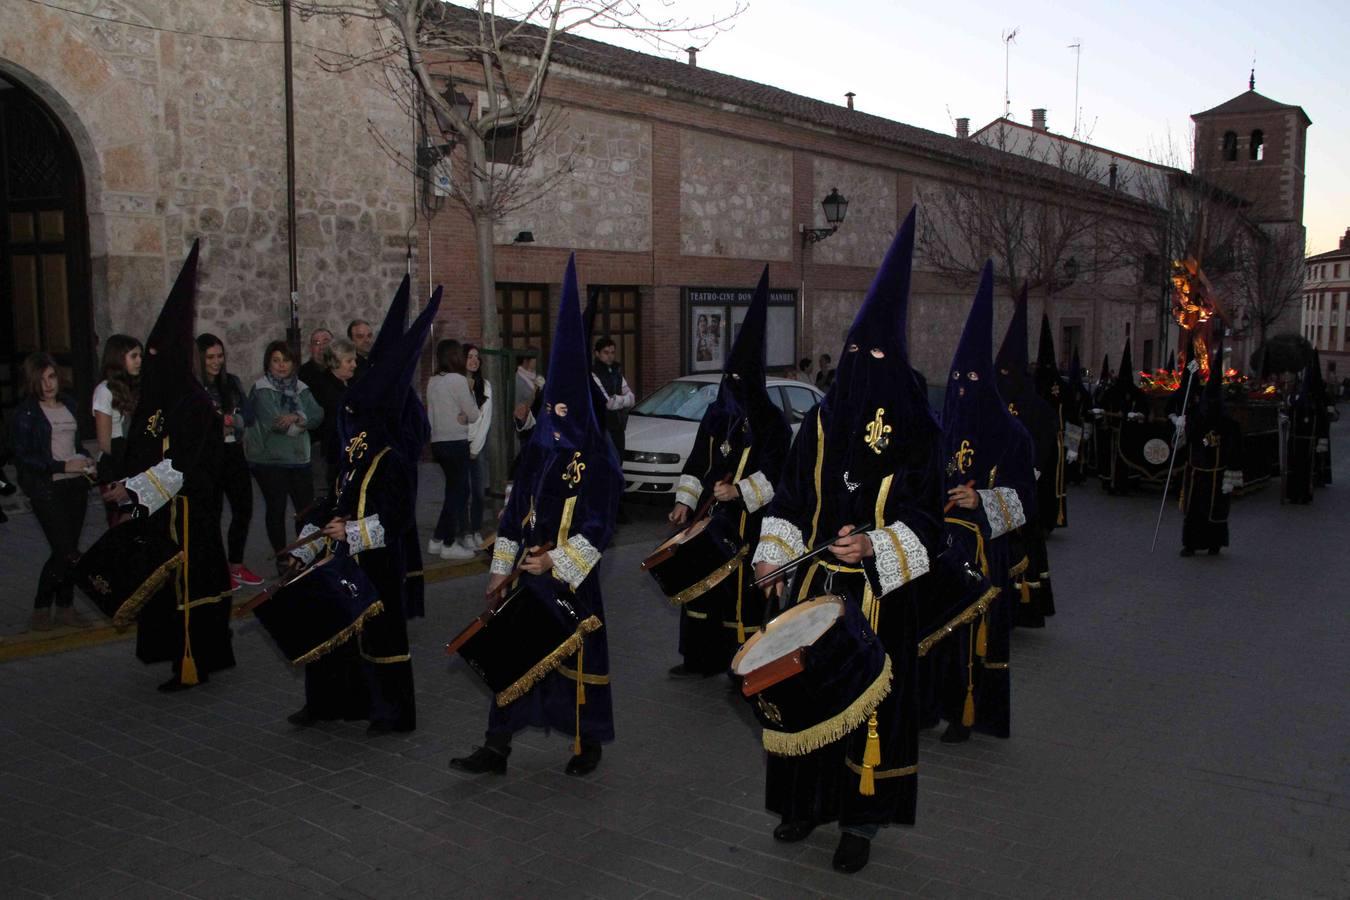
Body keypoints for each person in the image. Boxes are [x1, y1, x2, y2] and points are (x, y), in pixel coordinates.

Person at [751, 209, 943, 874]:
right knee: (806, 698)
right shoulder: (822, 422)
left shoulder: (918, 425)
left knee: (872, 711)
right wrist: (774, 550)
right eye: (856, 354)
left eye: (878, 357)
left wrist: (878, 546)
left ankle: (862, 817)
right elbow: (791, 496)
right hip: (814, 589)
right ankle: (803, 804)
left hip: (882, 599)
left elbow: (930, 518)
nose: (865, 368)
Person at [450, 255, 622, 778]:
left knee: (579, 663)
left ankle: (587, 742)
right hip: (527, 577)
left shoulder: (597, 458)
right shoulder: (536, 453)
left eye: (566, 411)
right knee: (514, 656)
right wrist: (501, 568)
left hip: (570, 583)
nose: (556, 419)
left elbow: (600, 525)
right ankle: (495, 748)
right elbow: (511, 516)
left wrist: (558, 562)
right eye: (552, 409)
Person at [288, 277, 438, 734]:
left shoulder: (390, 456)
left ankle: (392, 712)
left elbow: (393, 518)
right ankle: (331, 702)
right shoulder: (353, 448)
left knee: (381, 631)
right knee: (329, 625)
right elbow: (339, 491)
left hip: (376, 556)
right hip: (342, 549)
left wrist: (351, 532)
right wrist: (315, 528)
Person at [110, 242, 236, 691]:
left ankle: (197, 660)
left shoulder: (196, 404)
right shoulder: (154, 401)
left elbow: (185, 463)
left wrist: (136, 490)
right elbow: (142, 449)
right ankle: (170, 651)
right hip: (160, 512)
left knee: (192, 586)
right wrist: (125, 483)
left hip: (190, 513)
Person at [923, 262, 1036, 745]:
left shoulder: (1011, 433)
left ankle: (965, 714)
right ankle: (928, 704)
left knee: (968, 638)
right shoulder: (941, 425)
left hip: (984, 555)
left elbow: (1026, 500)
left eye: (973, 377)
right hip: (940, 546)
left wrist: (982, 499)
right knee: (932, 633)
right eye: (958, 378)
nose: (964, 386)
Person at [668, 267, 790, 677]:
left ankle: (741, 660)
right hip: (709, 516)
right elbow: (697, 462)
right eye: (729, 377)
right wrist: (685, 501)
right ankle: (698, 658)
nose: (733, 385)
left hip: (748, 521)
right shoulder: (716, 415)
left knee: (737, 596)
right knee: (700, 588)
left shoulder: (772, 421)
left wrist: (739, 491)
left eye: (741, 379)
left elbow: (779, 472)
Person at [10, 352, 96, 631]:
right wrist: (63, 465)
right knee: (64, 550)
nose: (48, 384)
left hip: (75, 484)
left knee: (68, 549)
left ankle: (66, 608)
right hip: (46, 487)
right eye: (41, 379)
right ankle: (41, 607)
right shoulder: (26, 413)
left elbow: (75, 444)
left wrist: (85, 460)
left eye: (51, 377)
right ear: (32, 383)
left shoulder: (70, 404)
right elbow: (23, 457)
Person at [995, 288, 1058, 628]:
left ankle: (1028, 607)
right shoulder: (992, 402)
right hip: (994, 487)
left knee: (1025, 547)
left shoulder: (1040, 409)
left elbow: (1045, 445)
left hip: (1023, 488)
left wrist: (1029, 474)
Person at [243, 340, 322, 566]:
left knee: (305, 511)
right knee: (276, 510)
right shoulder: (261, 389)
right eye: (276, 360)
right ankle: (281, 557)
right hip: (270, 460)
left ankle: (304, 555)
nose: (281, 365)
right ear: (268, 363)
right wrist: (301, 422)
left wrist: (298, 418)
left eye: (286, 360)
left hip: (299, 459)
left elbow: (318, 415)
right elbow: (275, 422)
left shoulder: (301, 387)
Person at [196, 333, 261, 589]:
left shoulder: (231, 382)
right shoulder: (194, 386)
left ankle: (236, 564)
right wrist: (215, 425)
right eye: (210, 357)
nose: (216, 362)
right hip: (208, 457)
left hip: (233, 452)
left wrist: (234, 421)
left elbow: (248, 414)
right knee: (212, 515)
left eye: (220, 356)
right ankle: (215, 568)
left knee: (243, 508)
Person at [1181, 341, 1242, 555]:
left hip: (1218, 475)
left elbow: (1234, 450)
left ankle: (1214, 543)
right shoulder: (1198, 419)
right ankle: (1190, 544)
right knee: (1195, 510)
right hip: (1199, 474)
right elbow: (1190, 440)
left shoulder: (1228, 425)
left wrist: (1232, 476)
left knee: (1215, 511)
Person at [426, 339, 480, 561]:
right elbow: (474, 413)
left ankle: (437, 540)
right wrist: (466, 412)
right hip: (455, 441)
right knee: (459, 493)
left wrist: (461, 415)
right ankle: (448, 543)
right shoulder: (458, 380)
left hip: (438, 442)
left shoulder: (432, 381)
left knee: (453, 491)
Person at [91, 334, 142, 525]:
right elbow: (105, 443)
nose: (139, 361)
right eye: (134, 356)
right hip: (115, 463)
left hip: (134, 461)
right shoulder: (104, 391)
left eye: (140, 356)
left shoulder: (135, 388)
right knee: (121, 524)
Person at [1033, 314, 1069, 530]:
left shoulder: (1062, 388)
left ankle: (1053, 517)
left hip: (1057, 443)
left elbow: (1073, 415)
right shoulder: (1032, 384)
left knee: (1052, 483)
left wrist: (1072, 446)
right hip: (1037, 442)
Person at [309, 338, 359, 492]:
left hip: (350, 451)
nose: (354, 365)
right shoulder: (323, 386)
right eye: (349, 361)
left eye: (354, 360)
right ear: (335, 362)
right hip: (331, 453)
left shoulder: (352, 383)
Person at [464, 343, 494, 551]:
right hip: (458, 443)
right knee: (461, 493)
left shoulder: (486, 386)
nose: (474, 360)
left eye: (477, 356)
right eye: (469, 357)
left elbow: (485, 420)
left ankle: (475, 530)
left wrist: (475, 447)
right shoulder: (456, 385)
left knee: (478, 492)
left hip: (478, 445)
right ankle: (464, 532)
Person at [299, 328, 333, 495]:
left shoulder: (339, 370)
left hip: (338, 440)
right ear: (311, 348)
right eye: (316, 343)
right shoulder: (303, 374)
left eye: (325, 342)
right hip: (316, 442)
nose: (321, 347)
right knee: (320, 492)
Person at [591, 336, 635, 457]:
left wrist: (617, 398)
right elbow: (608, 404)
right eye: (606, 352)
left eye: (612, 352)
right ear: (597, 353)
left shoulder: (617, 372)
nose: (610, 356)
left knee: (619, 458)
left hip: (618, 425)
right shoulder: (593, 374)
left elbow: (632, 399)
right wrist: (621, 399)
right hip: (602, 426)